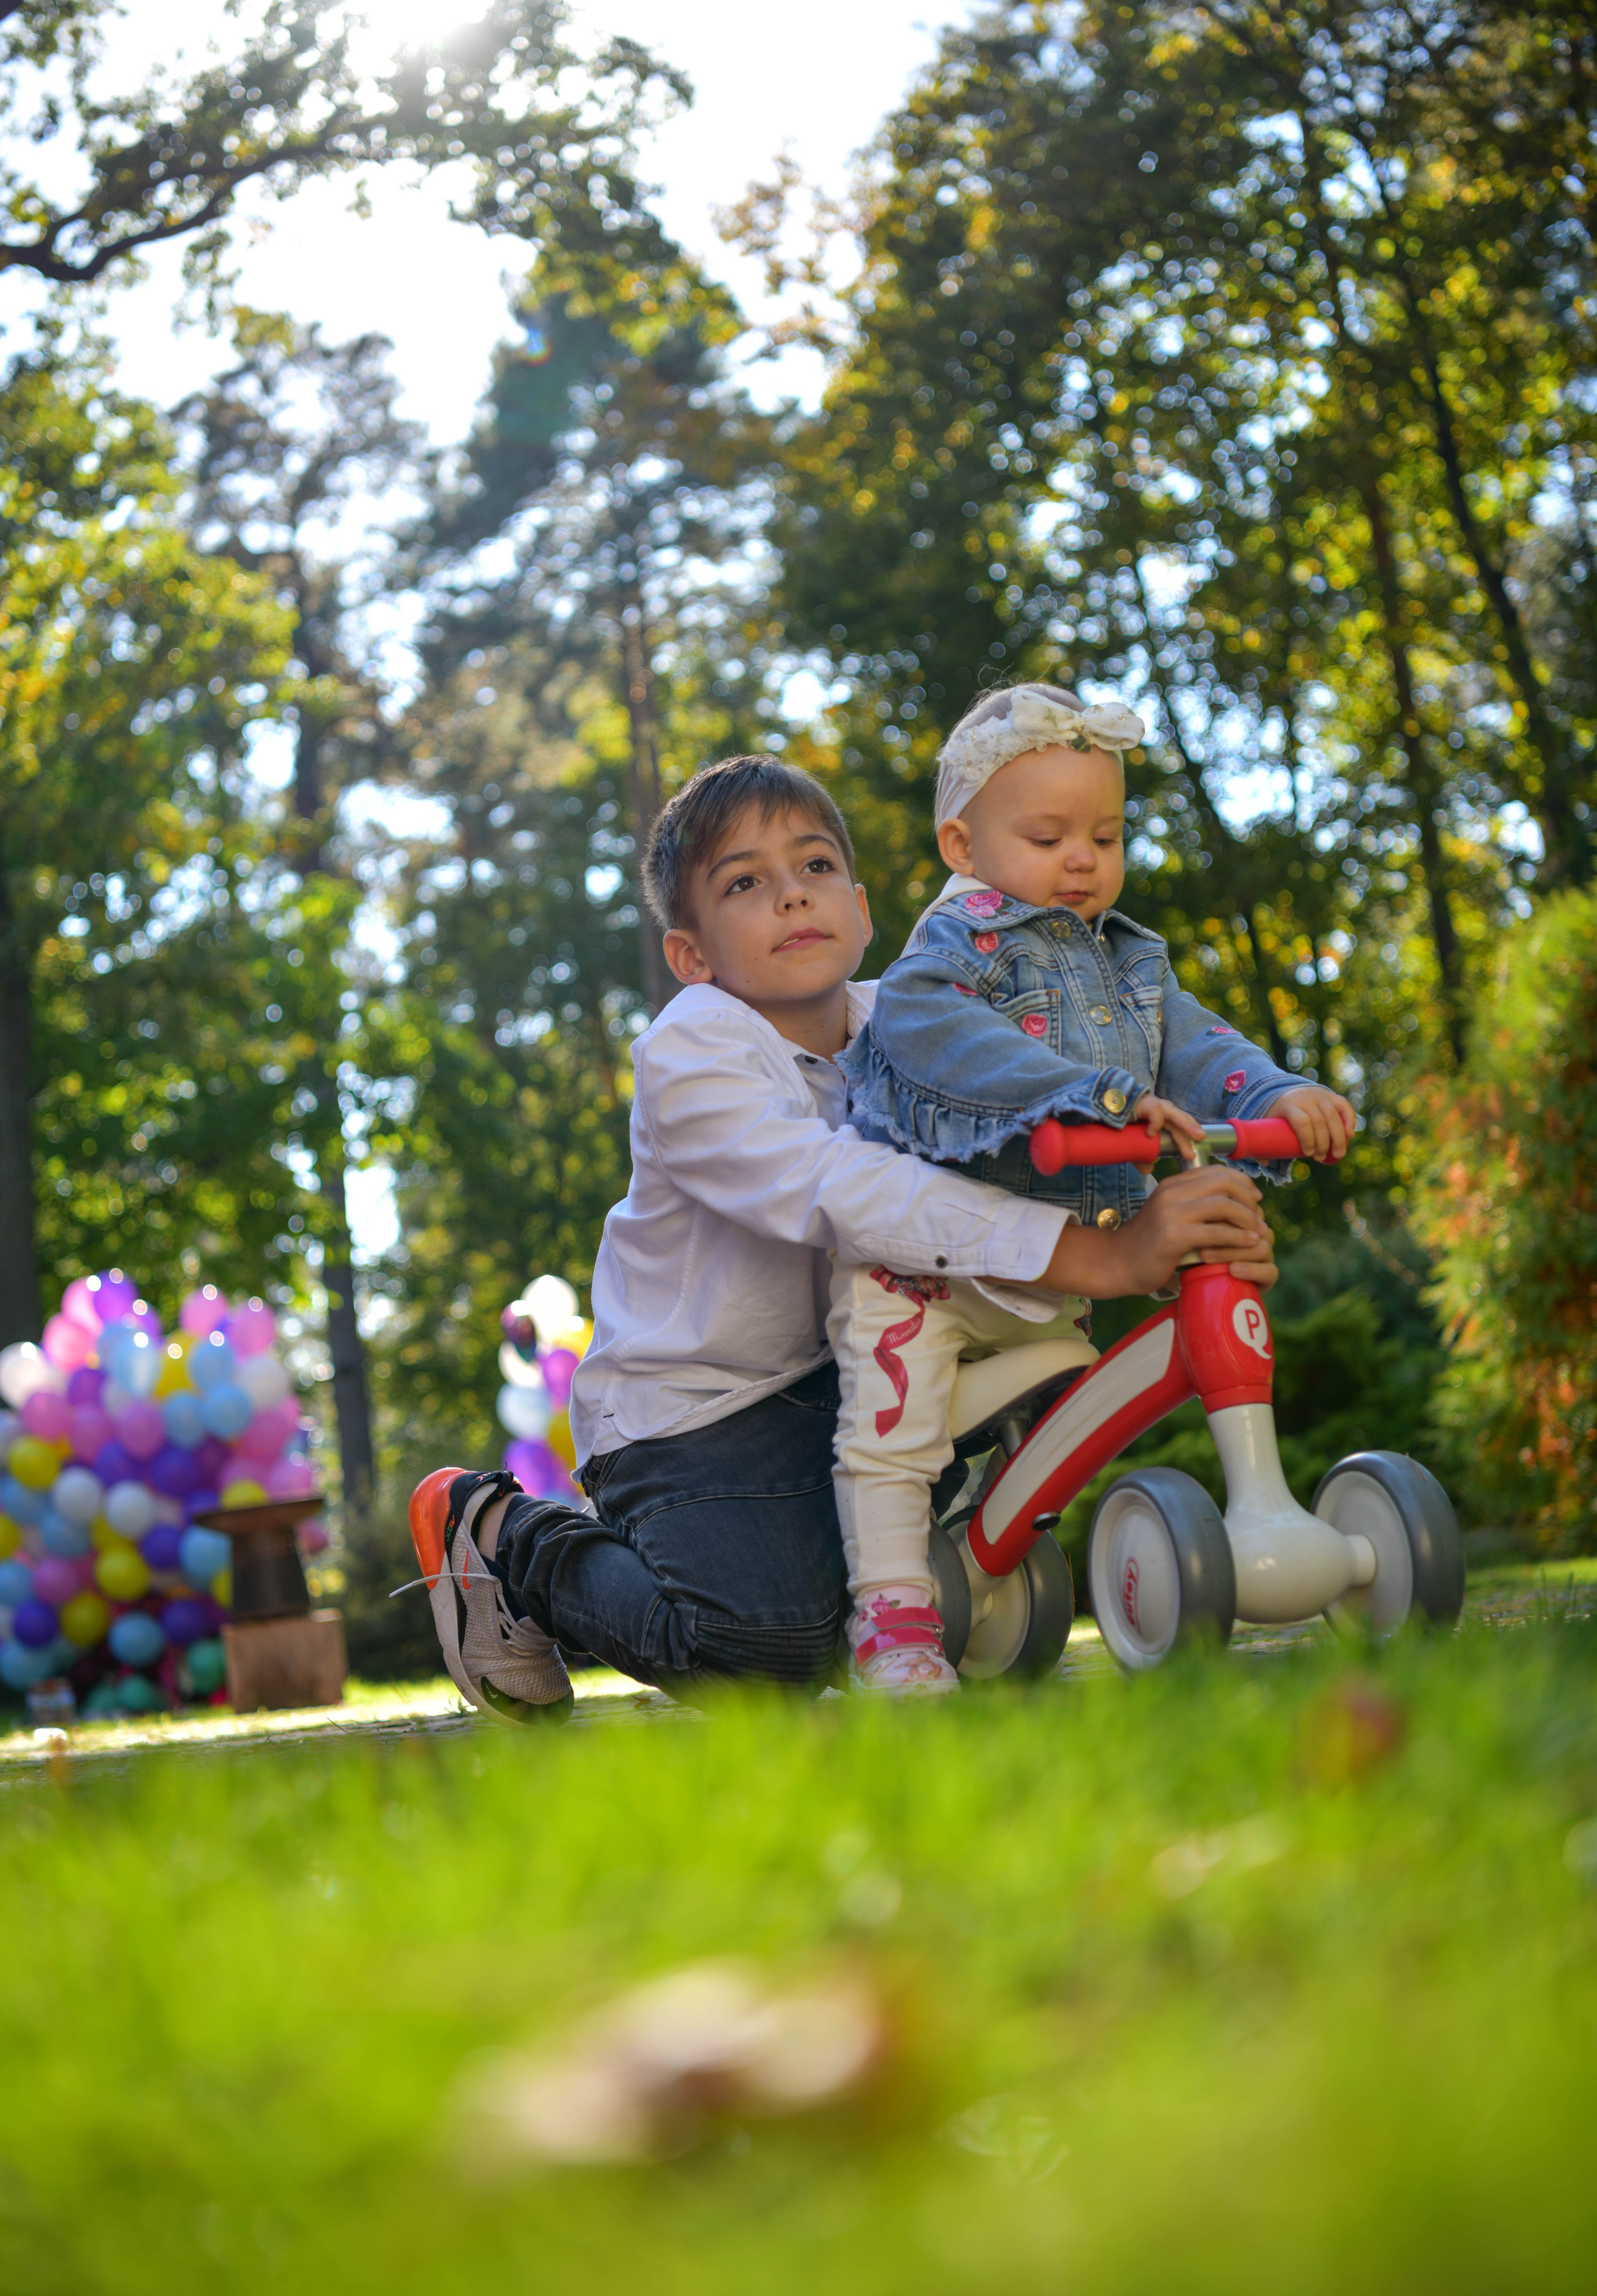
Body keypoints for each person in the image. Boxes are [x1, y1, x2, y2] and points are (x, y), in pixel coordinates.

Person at [408, 751, 1281, 1719]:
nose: (792, 897)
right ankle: (500, 1533)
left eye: (815, 867)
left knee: (1022, 1378)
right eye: (746, 883)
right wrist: (1102, 1255)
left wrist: (1169, 1208)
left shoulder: (914, 1023)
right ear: (693, 955)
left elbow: (1049, 1108)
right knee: (764, 1653)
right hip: (698, 1412)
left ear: (864, 911)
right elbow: (841, 1188)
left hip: (858, 1359)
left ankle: (939, 1573)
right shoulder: (692, 1049)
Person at [830, 682, 1356, 1694]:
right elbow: (950, 1046)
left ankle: (993, 1546)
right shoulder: (946, 962)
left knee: (1077, 1403)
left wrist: (1280, 1094)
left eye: (1106, 836)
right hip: (928, 1271)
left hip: (1056, 1269)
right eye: (1048, 835)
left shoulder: (1129, 964)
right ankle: (893, 1616)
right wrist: (1095, 1095)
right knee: (888, 1429)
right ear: (963, 848)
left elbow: (1197, 1048)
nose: (1083, 859)